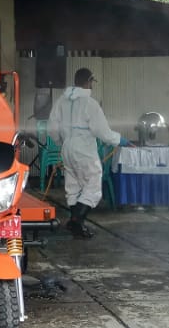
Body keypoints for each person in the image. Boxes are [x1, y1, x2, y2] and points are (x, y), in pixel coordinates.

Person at [48, 67, 127, 239]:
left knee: (73, 185)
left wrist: (61, 143)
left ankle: (76, 224)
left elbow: (52, 128)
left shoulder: (61, 101)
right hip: (83, 148)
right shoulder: (90, 104)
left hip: (67, 147)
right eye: (92, 82)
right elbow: (102, 132)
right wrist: (119, 139)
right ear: (88, 81)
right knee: (93, 183)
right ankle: (77, 220)